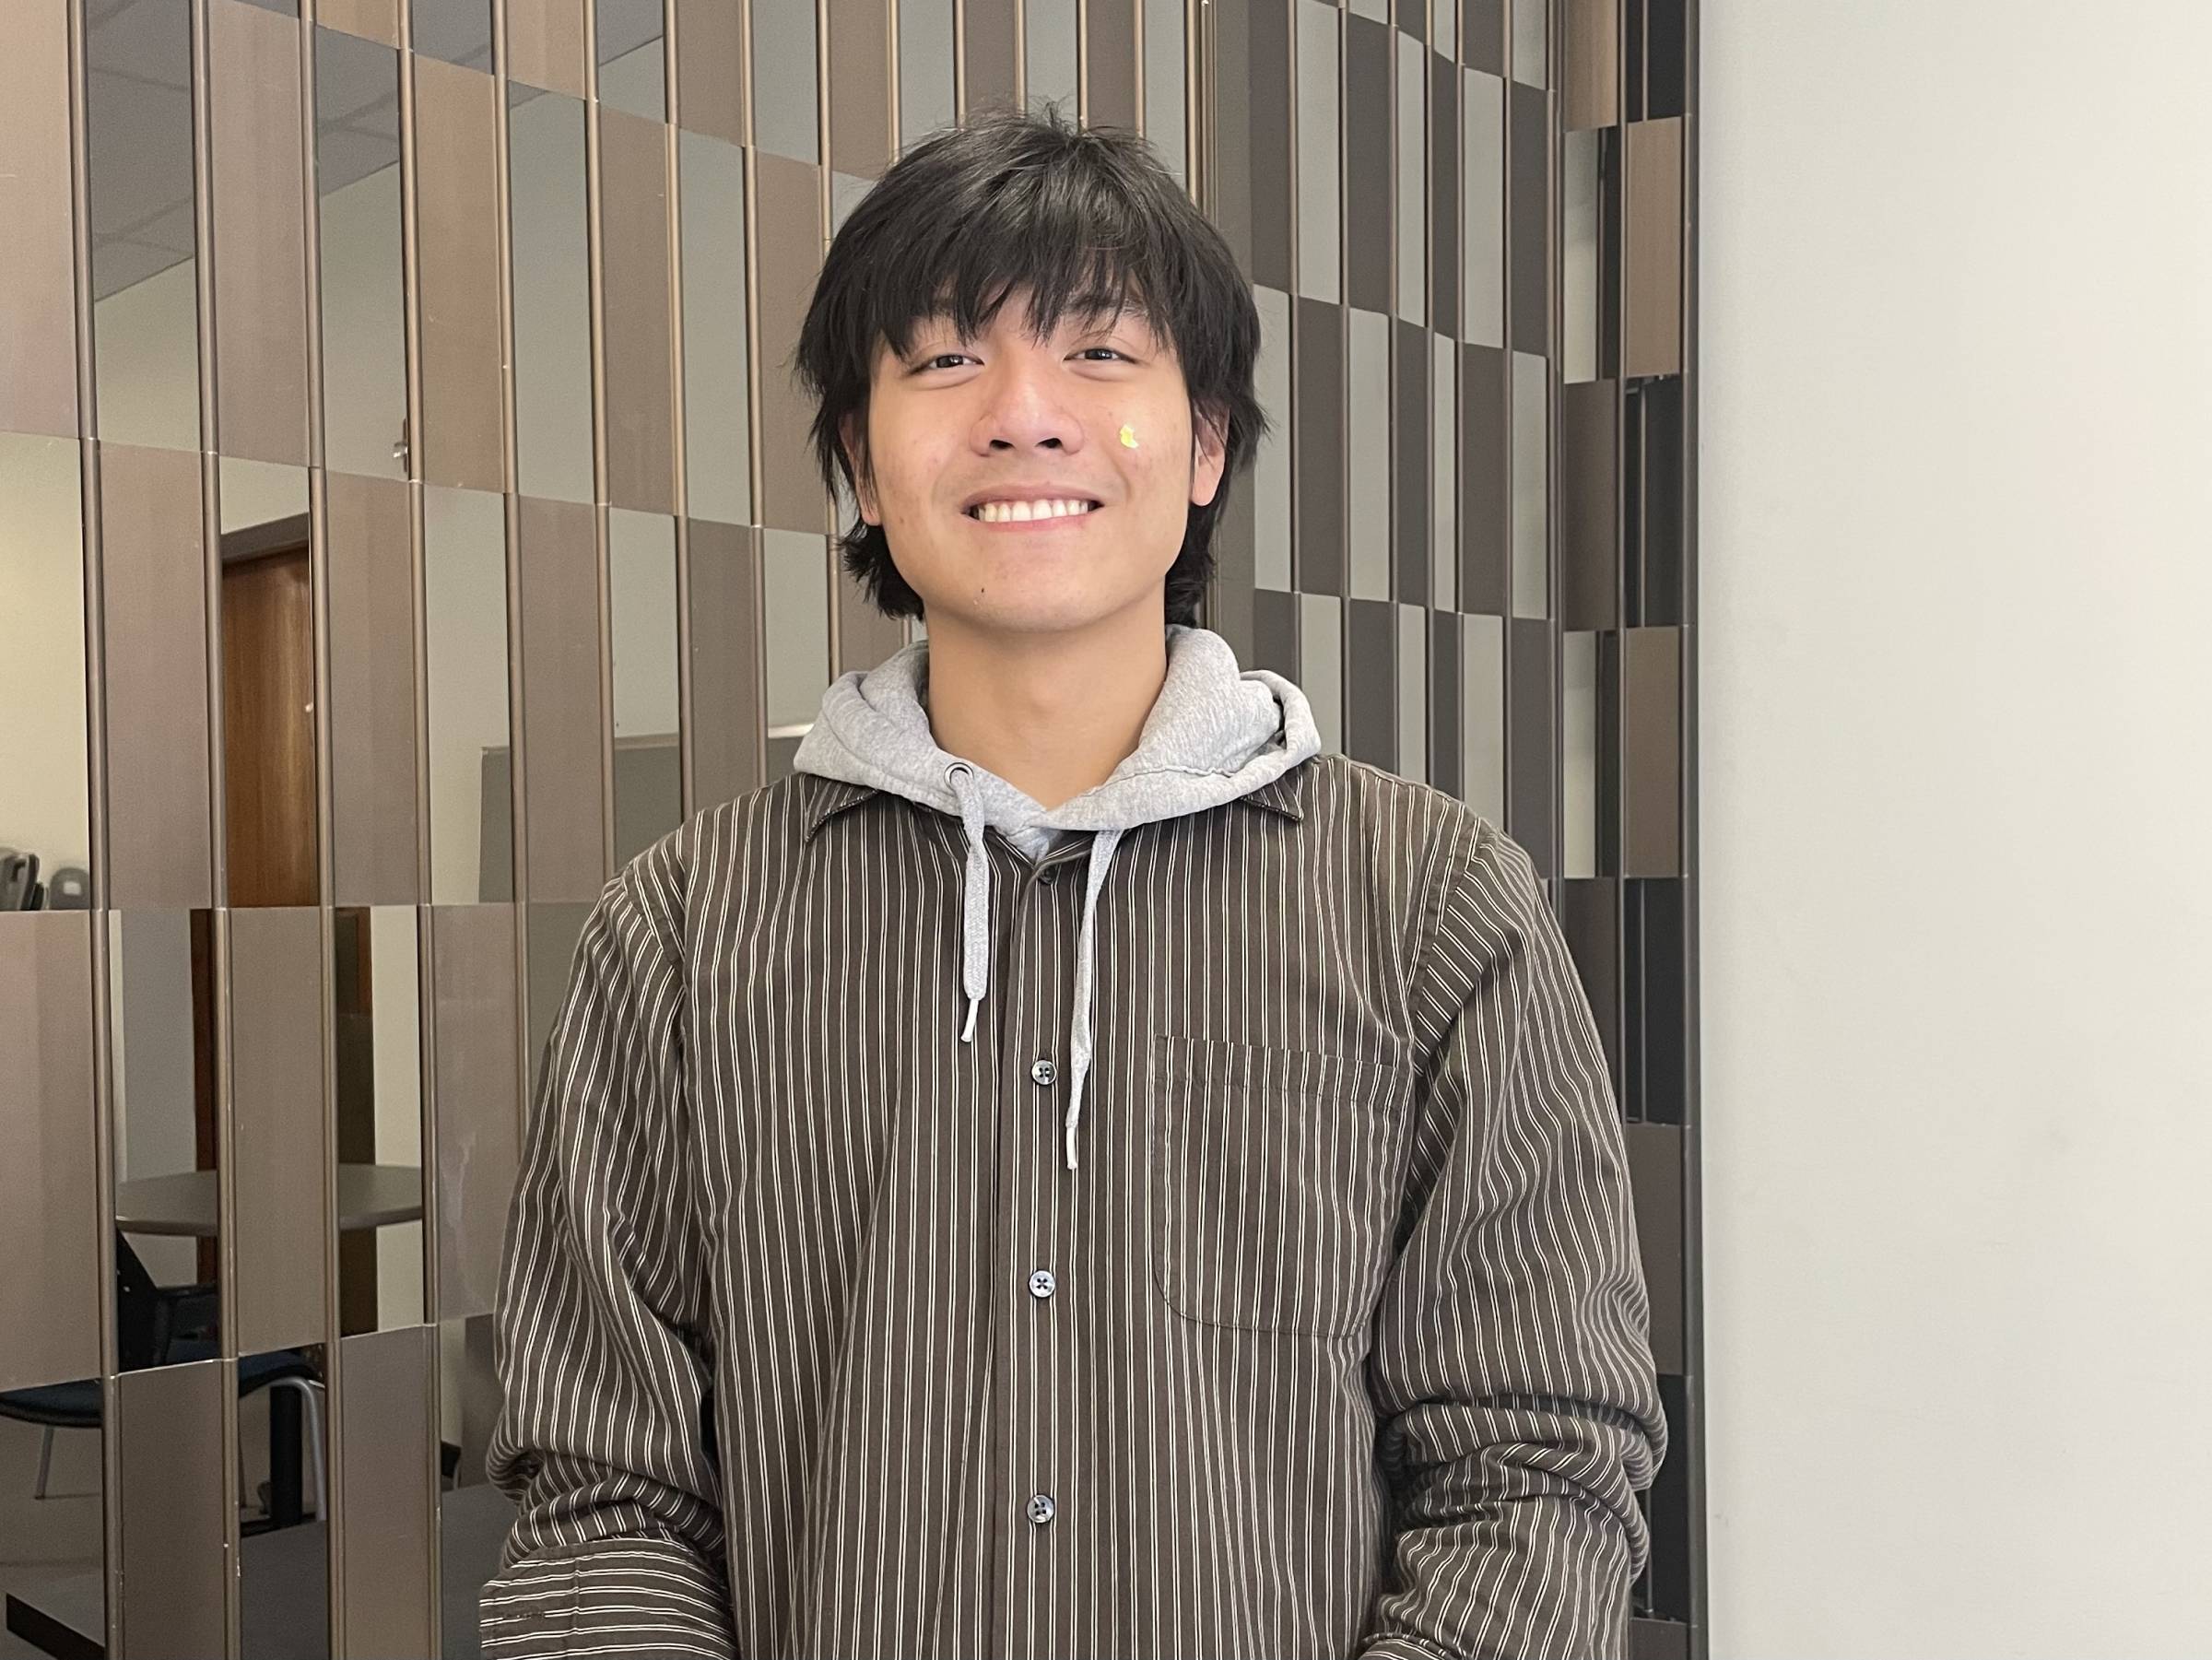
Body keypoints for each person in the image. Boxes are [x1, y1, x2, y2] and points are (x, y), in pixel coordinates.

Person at [478, 103, 1666, 1660]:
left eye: (1100, 354)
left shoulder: (1435, 905)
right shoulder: (684, 932)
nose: (1024, 413)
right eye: (947, 358)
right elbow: (601, 1492)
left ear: (1207, 443)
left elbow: (1537, 1458)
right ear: (859, 457)